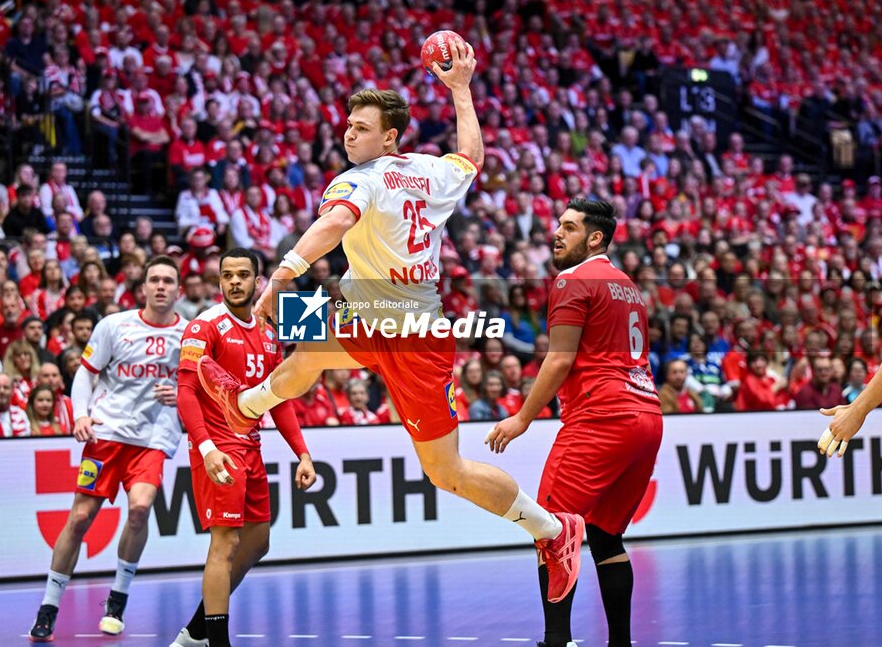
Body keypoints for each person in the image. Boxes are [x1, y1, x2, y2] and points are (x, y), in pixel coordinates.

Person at [197, 44, 582, 607]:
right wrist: (461, 89)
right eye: (348, 126)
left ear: (390, 137)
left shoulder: (363, 180)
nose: (349, 135)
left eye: (361, 128)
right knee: (304, 348)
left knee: (445, 473)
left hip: (413, 336)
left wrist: (283, 273)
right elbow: (470, 155)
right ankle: (245, 405)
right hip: (372, 309)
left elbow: (333, 225)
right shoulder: (428, 171)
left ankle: (551, 530)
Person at [486, 199, 663, 647]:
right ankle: (620, 643)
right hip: (647, 414)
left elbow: (560, 358)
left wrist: (522, 418)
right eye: (558, 224)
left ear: (595, 238)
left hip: (602, 415)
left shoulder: (572, 279)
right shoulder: (627, 285)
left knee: (551, 528)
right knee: (606, 535)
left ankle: (556, 640)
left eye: (569, 226)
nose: (557, 233)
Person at [29, 256, 186, 642]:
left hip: (153, 438)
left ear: (179, 290)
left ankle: (117, 601)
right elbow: (86, 372)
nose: (161, 286)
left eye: (168, 280)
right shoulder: (114, 325)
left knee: (140, 508)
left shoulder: (192, 335)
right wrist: (79, 415)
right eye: (154, 280)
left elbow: (205, 386)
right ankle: (49, 606)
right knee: (81, 518)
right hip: (108, 435)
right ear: (143, 288)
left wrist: (180, 394)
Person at [172, 247, 316, 647]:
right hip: (218, 447)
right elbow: (185, 393)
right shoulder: (205, 326)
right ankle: (216, 641)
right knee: (226, 541)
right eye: (227, 275)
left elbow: (280, 398)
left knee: (259, 540)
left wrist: (301, 452)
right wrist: (205, 448)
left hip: (251, 446)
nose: (234, 281)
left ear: (258, 282)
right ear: (219, 281)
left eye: (242, 275)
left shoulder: (270, 333)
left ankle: (195, 632)